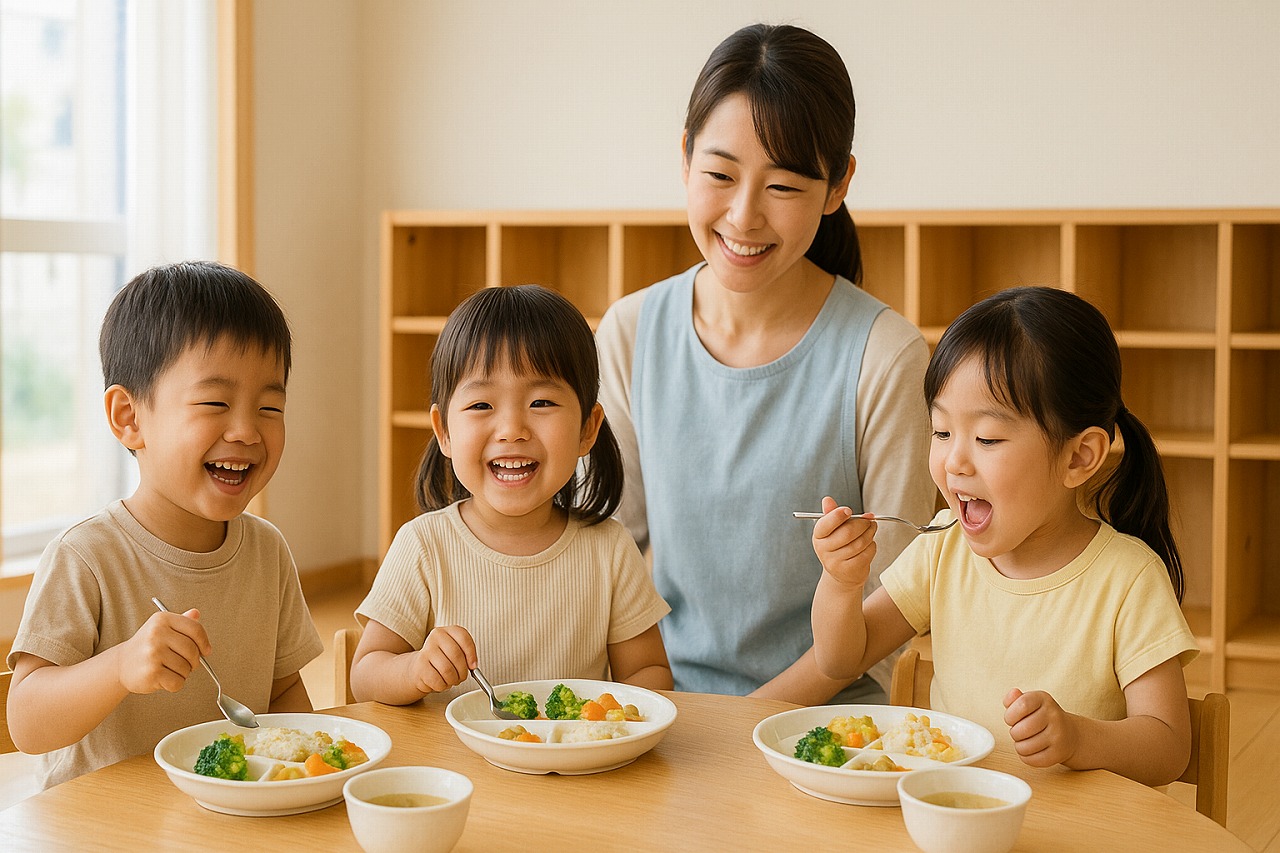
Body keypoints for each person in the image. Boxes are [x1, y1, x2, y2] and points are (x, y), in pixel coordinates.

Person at [595, 23, 934, 705]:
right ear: (685, 157)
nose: (744, 217)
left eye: (782, 186)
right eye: (719, 175)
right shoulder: (631, 331)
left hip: (825, 729)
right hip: (664, 708)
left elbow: (892, 601)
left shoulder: (886, 354)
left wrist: (746, 724)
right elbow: (600, 550)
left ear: (837, 185)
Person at [810, 286, 1198, 786]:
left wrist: (1079, 738)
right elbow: (841, 658)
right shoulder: (941, 548)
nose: (954, 462)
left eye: (987, 438)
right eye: (942, 432)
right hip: (955, 814)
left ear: (1079, 457)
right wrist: (840, 584)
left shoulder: (1128, 579)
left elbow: (1169, 748)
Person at [6, 261, 323, 789]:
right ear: (129, 418)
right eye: (215, 403)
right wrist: (121, 666)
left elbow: (284, 693)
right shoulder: (87, 556)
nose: (246, 431)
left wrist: (308, 772)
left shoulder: (267, 550)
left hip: (225, 822)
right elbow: (27, 724)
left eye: (270, 406)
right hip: (105, 833)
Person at [351, 285, 672, 705]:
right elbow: (366, 674)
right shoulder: (424, 546)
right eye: (482, 405)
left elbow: (649, 671)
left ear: (588, 428)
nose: (511, 430)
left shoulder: (610, 549)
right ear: (444, 430)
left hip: (577, 767)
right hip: (456, 768)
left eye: (541, 401)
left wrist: (614, 714)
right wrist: (414, 669)